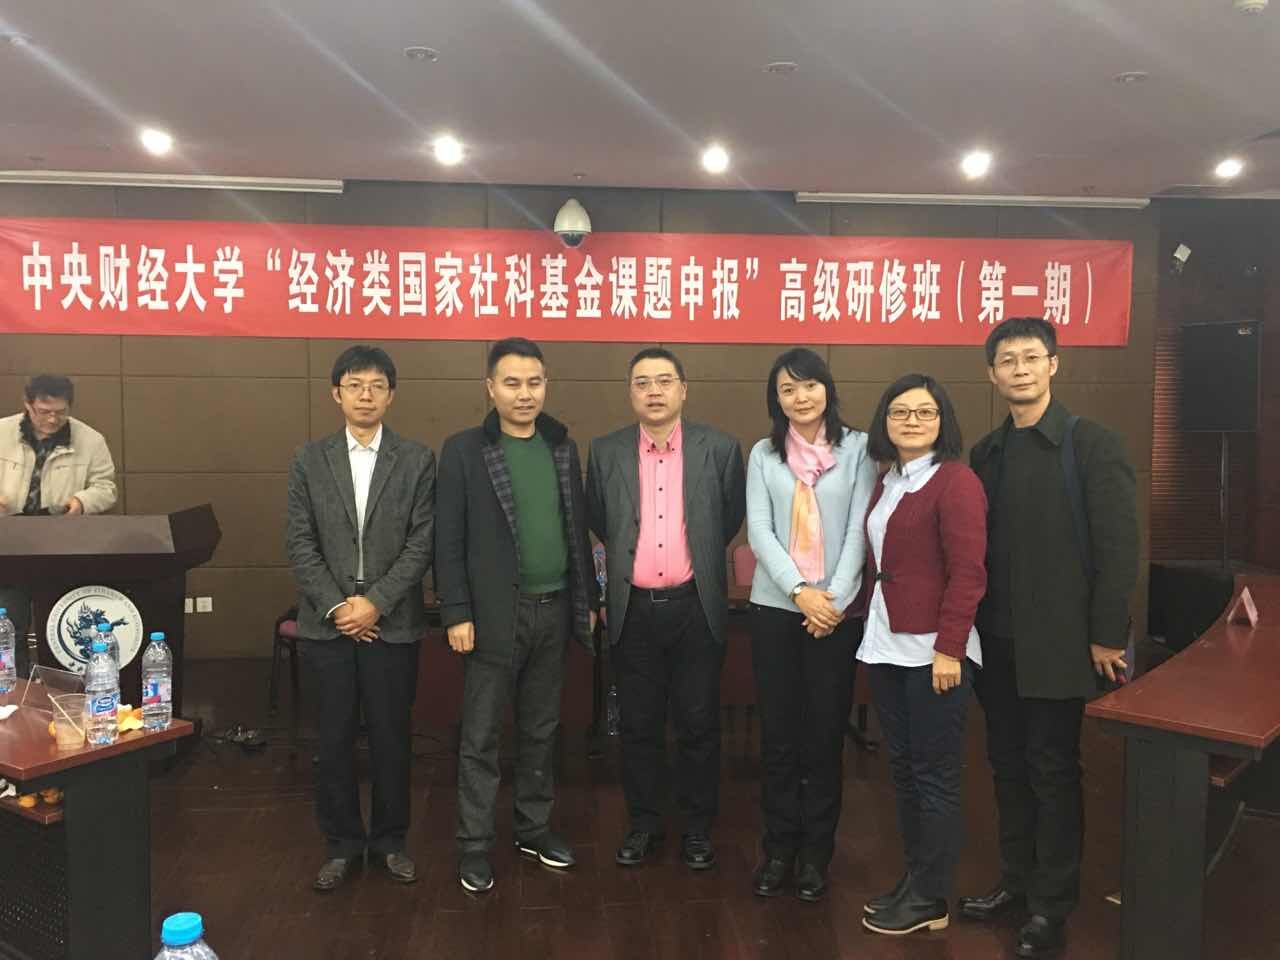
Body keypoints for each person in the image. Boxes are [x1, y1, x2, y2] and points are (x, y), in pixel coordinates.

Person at [959, 317, 1138, 959]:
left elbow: (1119, 547)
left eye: (1031, 357)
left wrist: (1107, 635)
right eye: (1007, 360)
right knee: (1006, 766)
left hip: (1061, 644)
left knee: (1053, 770)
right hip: (997, 642)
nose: (1020, 369)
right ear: (992, 374)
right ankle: (1016, 882)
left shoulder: (1091, 444)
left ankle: (1051, 905)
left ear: (1053, 365)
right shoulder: (986, 454)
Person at [435, 337, 596, 895]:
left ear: (545, 385)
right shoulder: (464, 450)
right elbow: (447, 539)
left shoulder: (561, 447)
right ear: (490, 388)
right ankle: (475, 843)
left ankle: (533, 829)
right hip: (492, 616)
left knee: (541, 730)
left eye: (534, 382)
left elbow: (575, 531)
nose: (524, 394)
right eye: (512, 383)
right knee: (481, 736)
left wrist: (587, 602)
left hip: (555, 609)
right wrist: (456, 611)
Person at [586, 347, 746, 871]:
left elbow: (727, 520)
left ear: (683, 389)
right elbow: (600, 519)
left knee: (699, 723)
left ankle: (697, 828)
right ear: (630, 392)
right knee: (639, 725)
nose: (653, 391)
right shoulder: (605, 451)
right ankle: (644, 824)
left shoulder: (719, 449)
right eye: (641, 382)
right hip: (632, 610)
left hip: (695, 607)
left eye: (663, 380)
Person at [285, 345, 436, 892]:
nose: (365, 395)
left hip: (391, 624)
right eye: (355, 385)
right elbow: (300, 542)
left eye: (376, 386)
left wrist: (376, 603)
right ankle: (342, 844)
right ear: (337, 394)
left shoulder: (417, 460)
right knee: (333, 742)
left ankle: (391, 841)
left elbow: (422, 541)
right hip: (328, 626)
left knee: (393, 739)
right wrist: (339, 607)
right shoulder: (309, 460)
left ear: (391, 395)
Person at [857, 374, 987, 936]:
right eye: (900, 412)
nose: (912, 421)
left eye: (925, 412)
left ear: (942, 421)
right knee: (905, 771)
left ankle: (932, 898)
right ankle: (916, 880)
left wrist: (949, 648)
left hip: (936, 652)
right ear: (885, 422)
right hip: (887, 645)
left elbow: (969, 573)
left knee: (935, 776)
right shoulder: (888, 479)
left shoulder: (955, 481)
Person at [745, 347, 877, 902]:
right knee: (779, 736)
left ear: (827, 389)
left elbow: (859, 531)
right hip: (776, 609)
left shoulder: (859, 449)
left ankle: (816, 854)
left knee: (824, 736)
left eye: (809, 385)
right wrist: (801, 593)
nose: (800, 397)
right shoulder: (763, 454)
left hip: (835, 616)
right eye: (788, 389)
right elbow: (759, 530)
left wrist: (833, 602)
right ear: (776, 399)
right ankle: (779, 848)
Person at [0, 374, 118, 648]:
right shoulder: (2, 432)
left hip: (60, 537)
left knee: (61, 625)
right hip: (8, 538)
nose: (53, 419)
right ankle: (11, 676)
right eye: (44, 412)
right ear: (28, 404)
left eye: (61, 412)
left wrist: (82, 501)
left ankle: (57, 675)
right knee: (8, 623)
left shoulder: (91, 440)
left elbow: (106, 488)